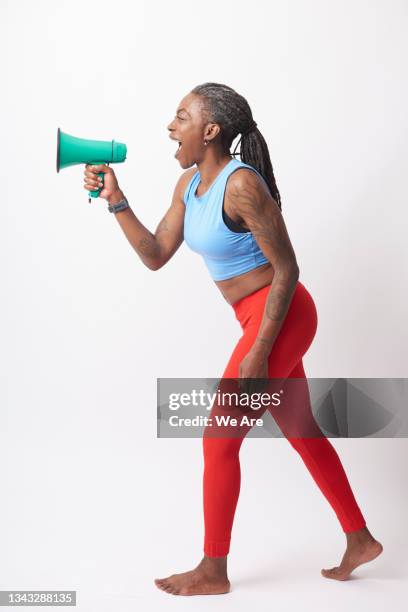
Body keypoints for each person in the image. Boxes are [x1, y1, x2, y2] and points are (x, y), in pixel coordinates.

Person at [83, 82, 383, 596]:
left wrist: (261, 351)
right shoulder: (189, 186)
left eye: (181, 117)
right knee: (300, 428)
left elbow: (287, 269)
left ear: (210, 130)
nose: (171, 127)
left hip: (281, 315)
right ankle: (360, 539)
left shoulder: (242, 185)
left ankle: (213, 570)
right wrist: (117, 200)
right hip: (254, 318)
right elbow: (155, 254)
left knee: (218, 438)